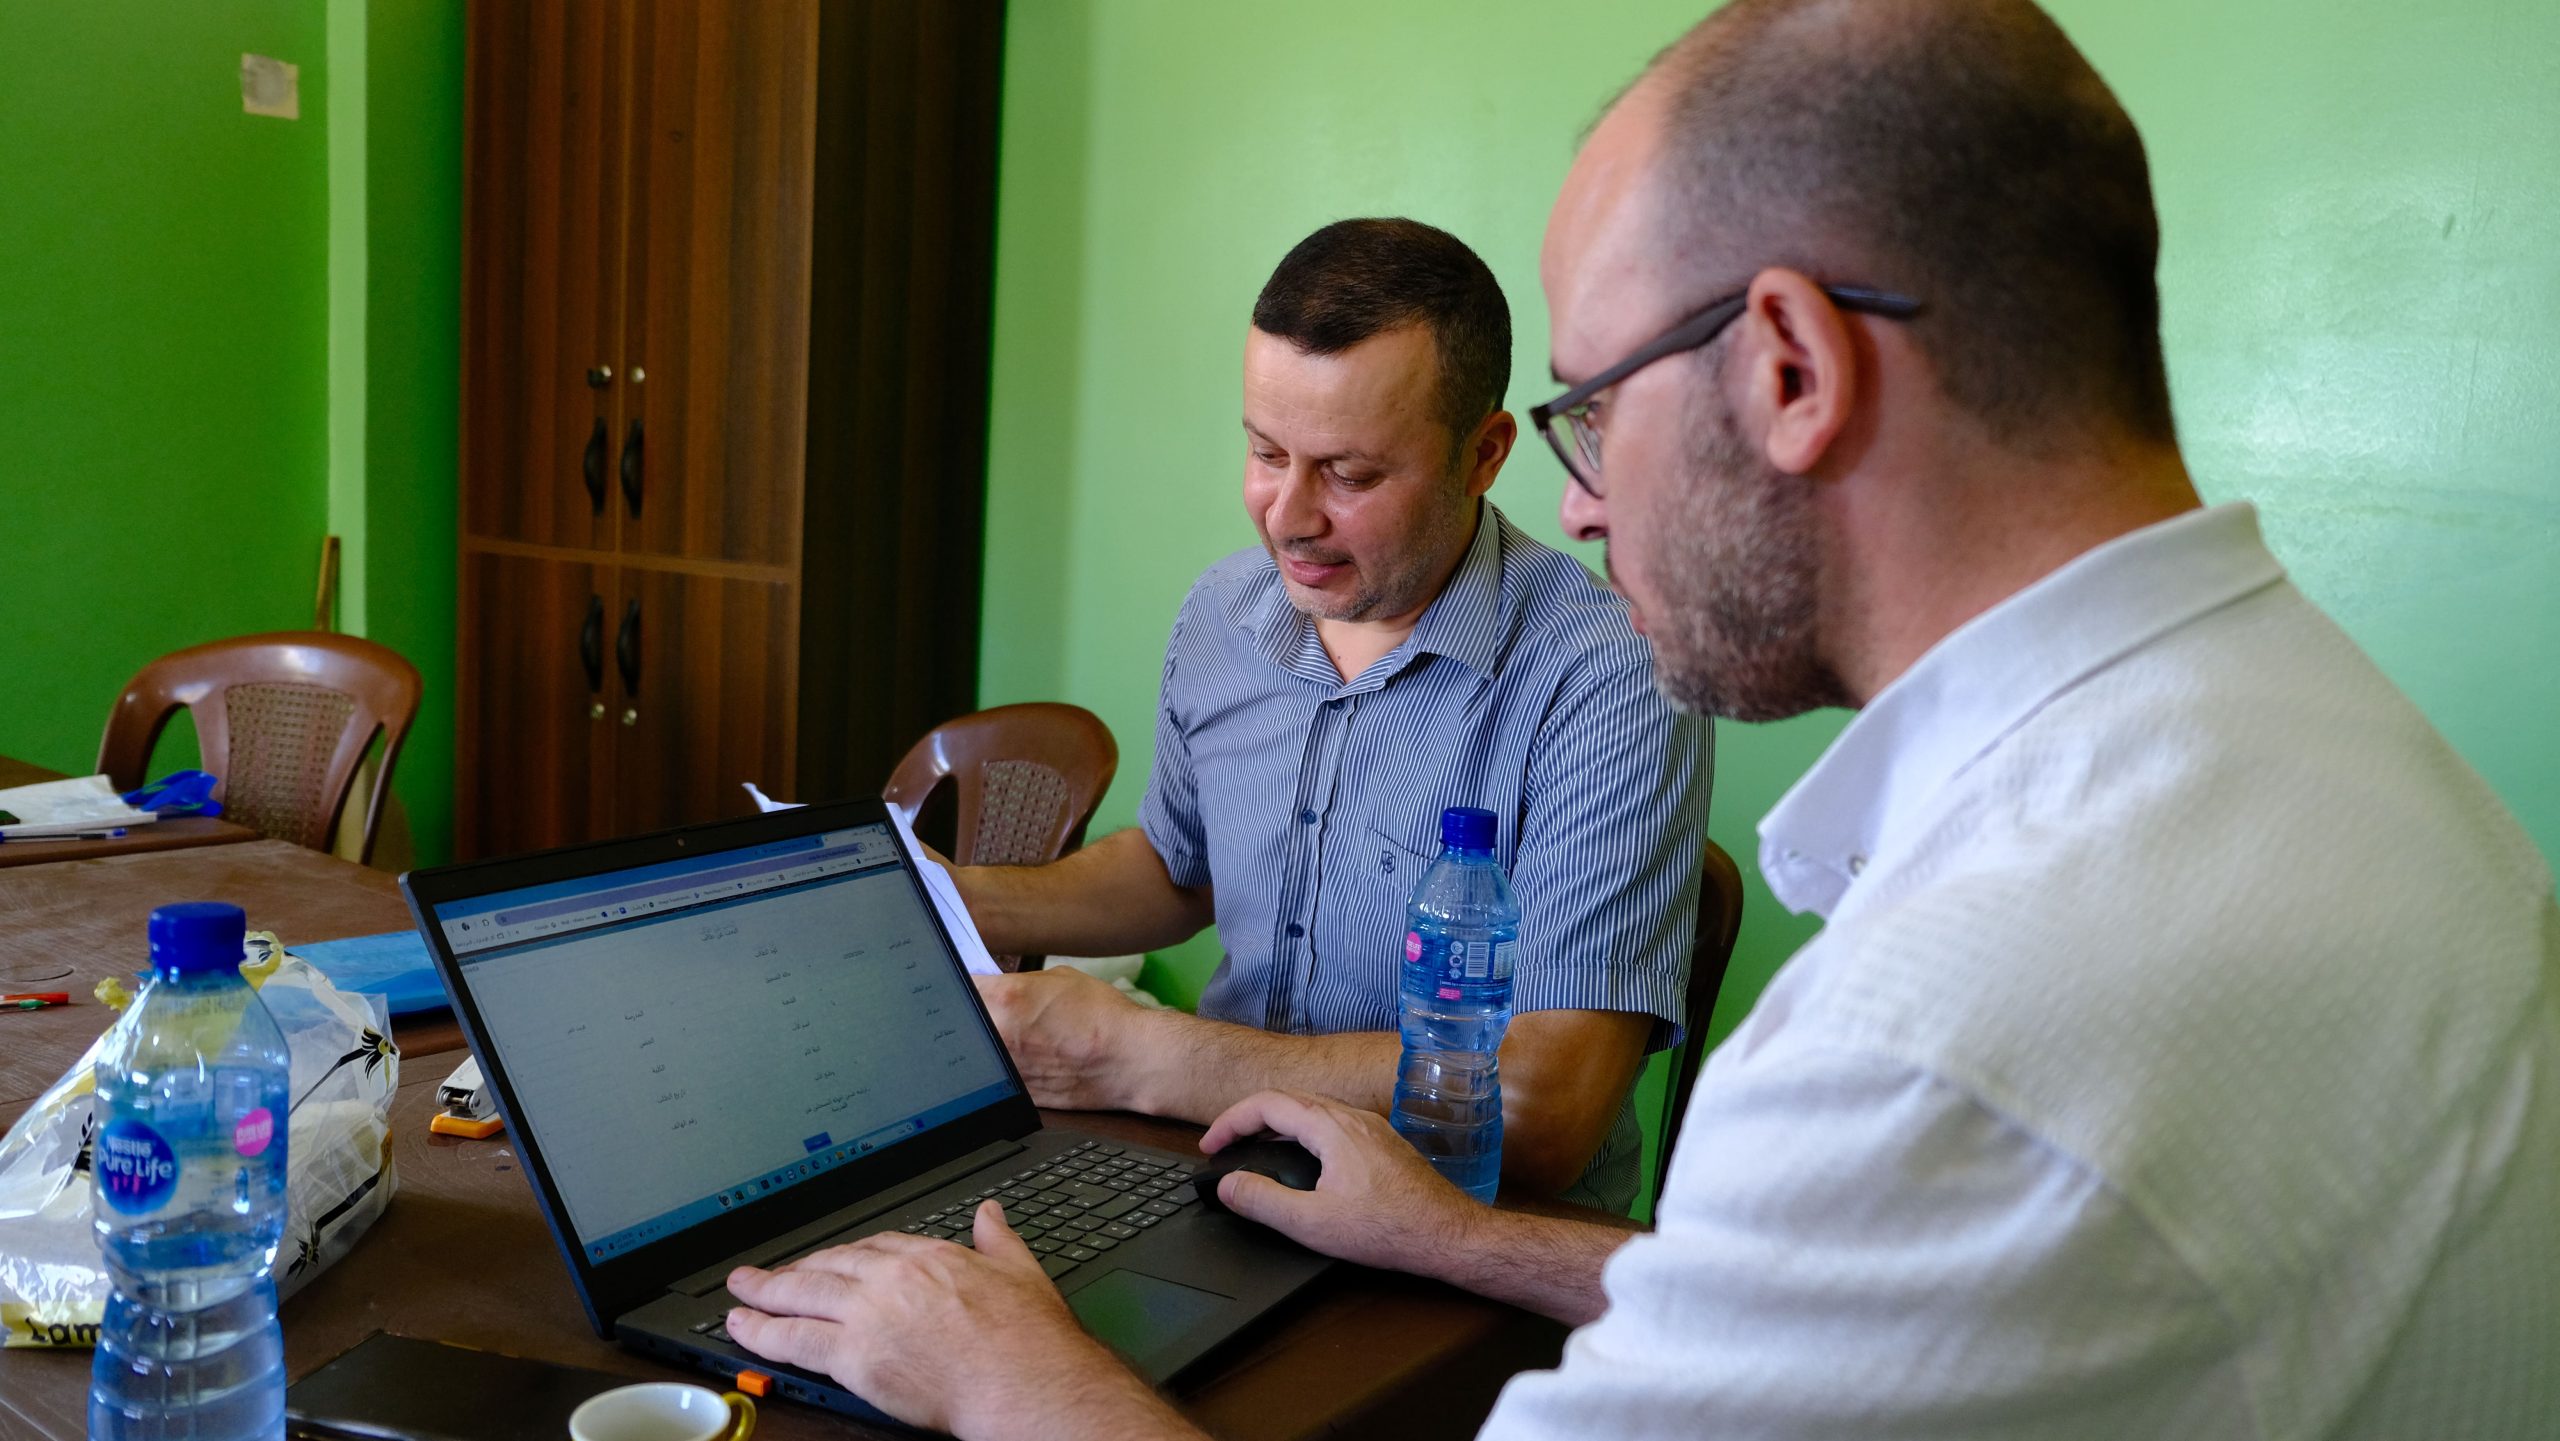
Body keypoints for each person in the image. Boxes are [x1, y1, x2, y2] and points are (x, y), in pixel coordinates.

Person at [721, 3, 2560, 1437]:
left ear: (1792, 370)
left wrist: (1010, 1378)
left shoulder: (1949, 1027)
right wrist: (1454, 1232)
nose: (1584, 502)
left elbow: (1668, 1131)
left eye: (1595, 409)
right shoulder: (2342, 754)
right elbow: (1852, 1318)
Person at [948, 217, 1713, 1210]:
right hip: (1213, 1175)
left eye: (1350, 475)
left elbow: (1544, 1104)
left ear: (1482, 454)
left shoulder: (1609, 672)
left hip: (1461, 1234)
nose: (1288, 517)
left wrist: (1143, 1056)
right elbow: (1180, 870)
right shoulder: (1224, 612)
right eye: (1267, 453)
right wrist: (952, 901)